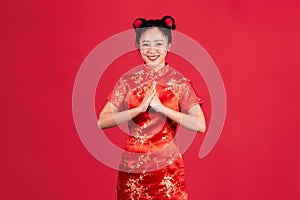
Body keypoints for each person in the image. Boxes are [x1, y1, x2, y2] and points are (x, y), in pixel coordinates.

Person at [97, 15, 206, 200]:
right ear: (139, 46)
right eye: (146, 44)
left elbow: (200, 125)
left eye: (158, 43)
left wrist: (163, 109)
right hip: (132, 166)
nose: (152, 50)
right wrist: (138, 109)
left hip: (167, 168)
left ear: (169, 46)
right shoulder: (128, 81)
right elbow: (102, 121)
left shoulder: (180, 82)